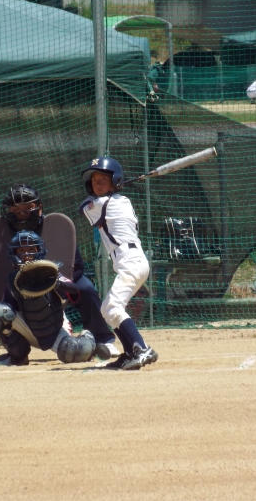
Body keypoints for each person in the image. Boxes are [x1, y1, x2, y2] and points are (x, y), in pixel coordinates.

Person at [0, 184, 119, 364]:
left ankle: (102, 339)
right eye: (15, 209)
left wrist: (54, 281)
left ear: (39, 207)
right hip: (16, 286)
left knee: (86, 288)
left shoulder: (56, 228)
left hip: (55, 284)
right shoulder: (0, 234)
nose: (21, 212)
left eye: (26, 207)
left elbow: (75, 267)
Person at [79, 157, 158, 370]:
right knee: (107, 309)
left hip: (130, 261)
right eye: (94, 180)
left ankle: (142, 348)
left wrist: (104, 193)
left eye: (103, 179)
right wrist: (112, 188)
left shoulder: (102, 204)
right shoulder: (122, 201)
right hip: (132, 260)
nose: (97, 184)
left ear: (116, 181)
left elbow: (83, 207)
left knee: (113, 307)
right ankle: (129, 353)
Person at [0, 230, 96, 365]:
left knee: (72, 353)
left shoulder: (50, 271)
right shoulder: (13, 278)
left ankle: (87, 338)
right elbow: (5, 309)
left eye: (31, 249)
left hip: (55, 328)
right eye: (21, 250)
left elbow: (74, 290)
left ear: (39, 250)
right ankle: (18, 356)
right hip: (29, 327)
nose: (26, 254)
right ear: (14, 254)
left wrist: (55, 283)